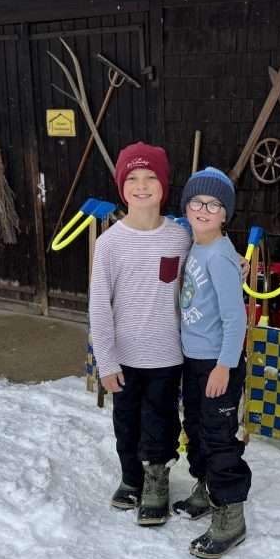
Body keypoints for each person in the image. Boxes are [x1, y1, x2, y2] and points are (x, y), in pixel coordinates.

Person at [88, 142, 190, 527]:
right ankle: (132, 477)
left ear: (164, 186)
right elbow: (99, 305)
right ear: (121, 186)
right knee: (126, 421)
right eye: (133, 178)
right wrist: (106, 360)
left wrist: (237, 267)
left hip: (167, 354)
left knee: (161, 420)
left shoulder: (181, 238)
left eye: (151, 177)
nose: (142, 185)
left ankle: (157, 481)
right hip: (126, 357)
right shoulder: (109, 243)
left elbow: (205, 273)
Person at [174, 167, 250, 559]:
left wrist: (225, 365)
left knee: (219, 437)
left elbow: (236, 319)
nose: (203, 209)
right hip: (193, 358)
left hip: (218, 363)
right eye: (196, 202)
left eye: (213, 204)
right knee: (197, 429)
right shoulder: (194, 243)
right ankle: (204, 489)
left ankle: (231, 515)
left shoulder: (219, 255)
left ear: (225, 213)